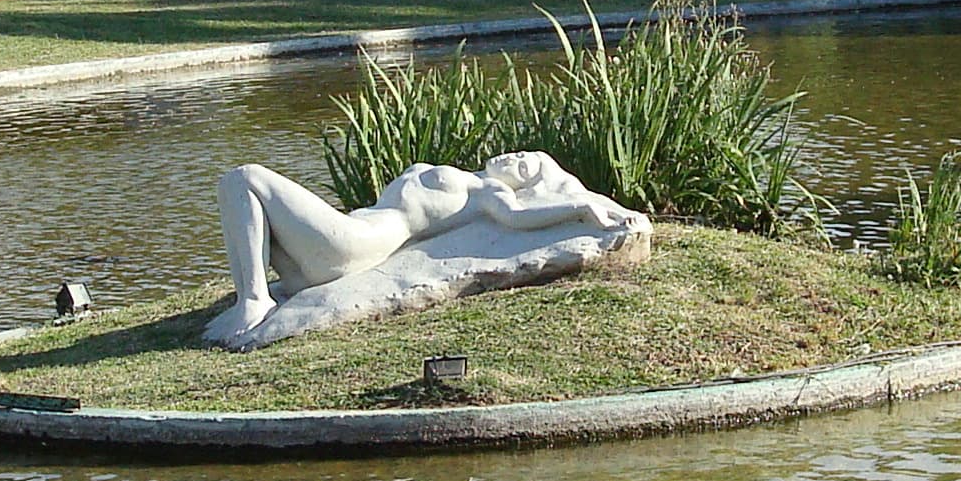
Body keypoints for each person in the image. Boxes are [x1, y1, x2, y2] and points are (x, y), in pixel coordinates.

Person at [206, 152, 642, 346]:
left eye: (524, 167)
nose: (513, 158)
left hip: (357, 245)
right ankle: (256, 294)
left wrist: (582, 207)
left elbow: (516, 219)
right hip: (333, 249)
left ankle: (255, 298)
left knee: (245, 179)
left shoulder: (488, 193)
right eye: (519, 152)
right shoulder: (473, 179)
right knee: (236, 187)